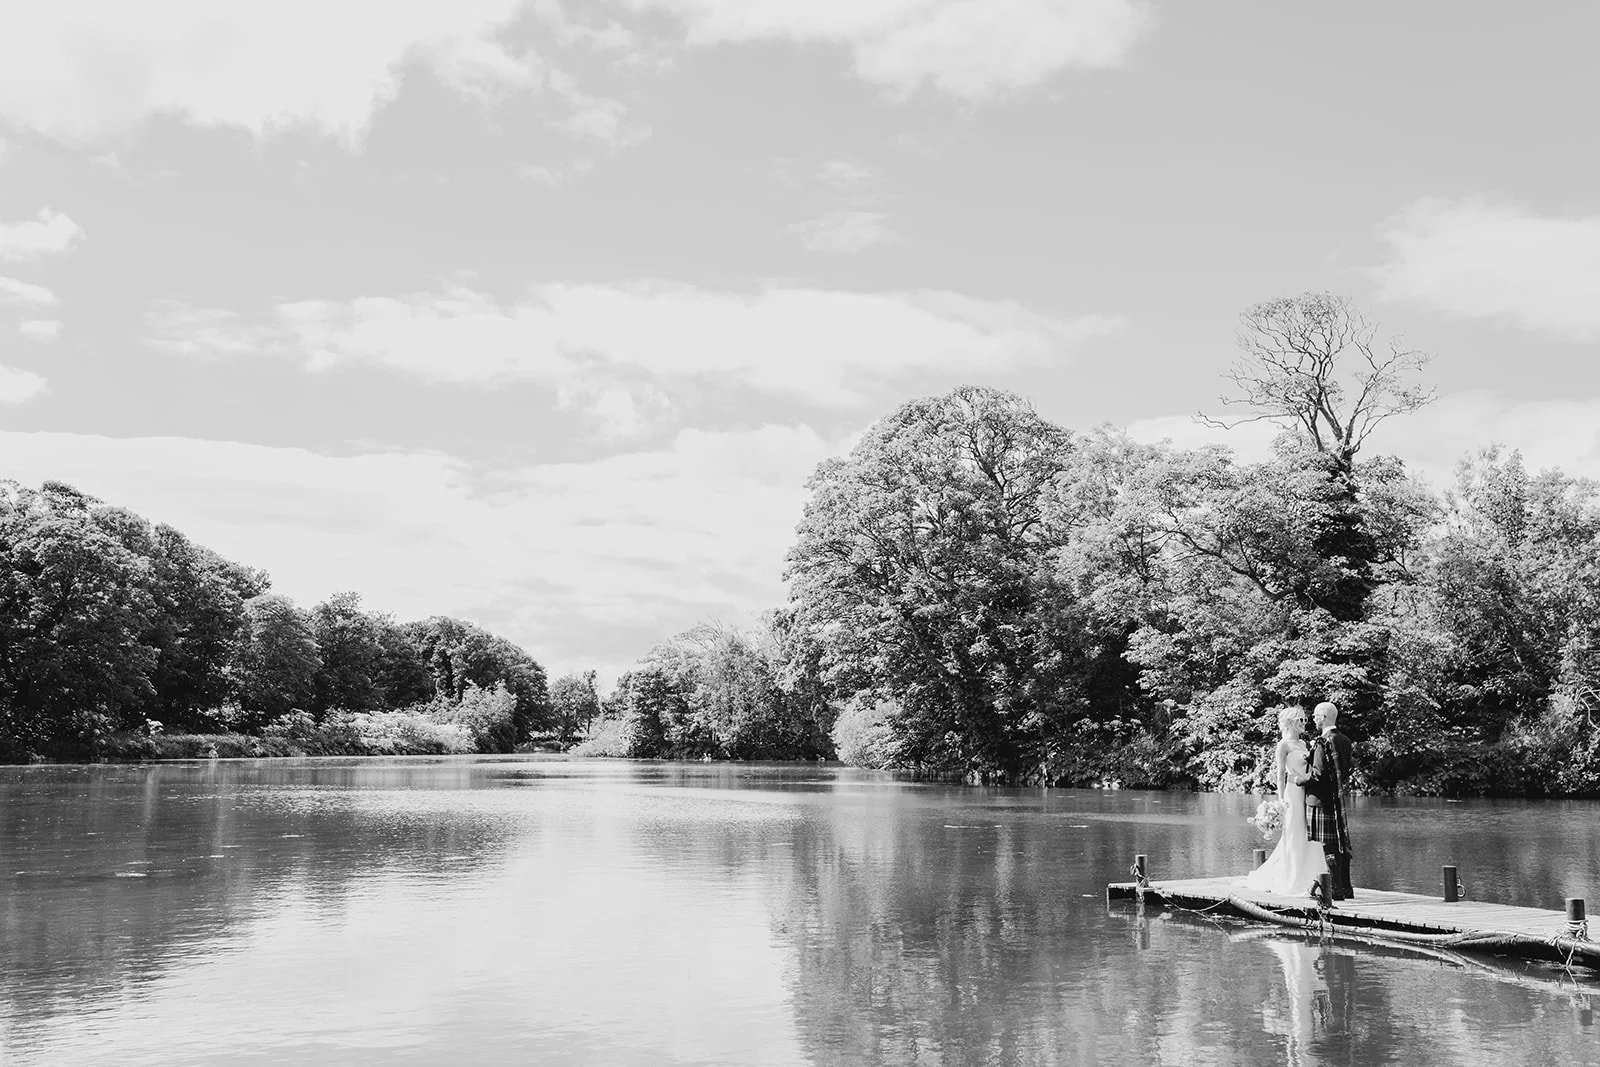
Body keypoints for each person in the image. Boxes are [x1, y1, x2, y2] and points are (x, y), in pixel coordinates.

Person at [1243, 706, 1328, 897]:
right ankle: (1292, 877)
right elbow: (1280, 774)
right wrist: (1281, 798)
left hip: (1307, 793)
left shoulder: (1306, 745)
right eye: (1301, 720)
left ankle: (1312, 877)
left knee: (1309, 833)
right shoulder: (1284, 745)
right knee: (1294, 833)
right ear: (1290, 722)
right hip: (1292, 793)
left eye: (1306, 720)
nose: (1304, 723)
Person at [1306, 700, 1355, 899]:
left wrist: (1298, 779)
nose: (1313, 719)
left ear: (1324, 718)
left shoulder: (1322, 742)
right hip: (1337, 799)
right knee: (1341, 842)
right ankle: (1347, 888)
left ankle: (1335, 889)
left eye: (1316, 716)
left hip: (1322, 801)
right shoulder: (1345, 740)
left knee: (1329, 845)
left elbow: (1318, 775)